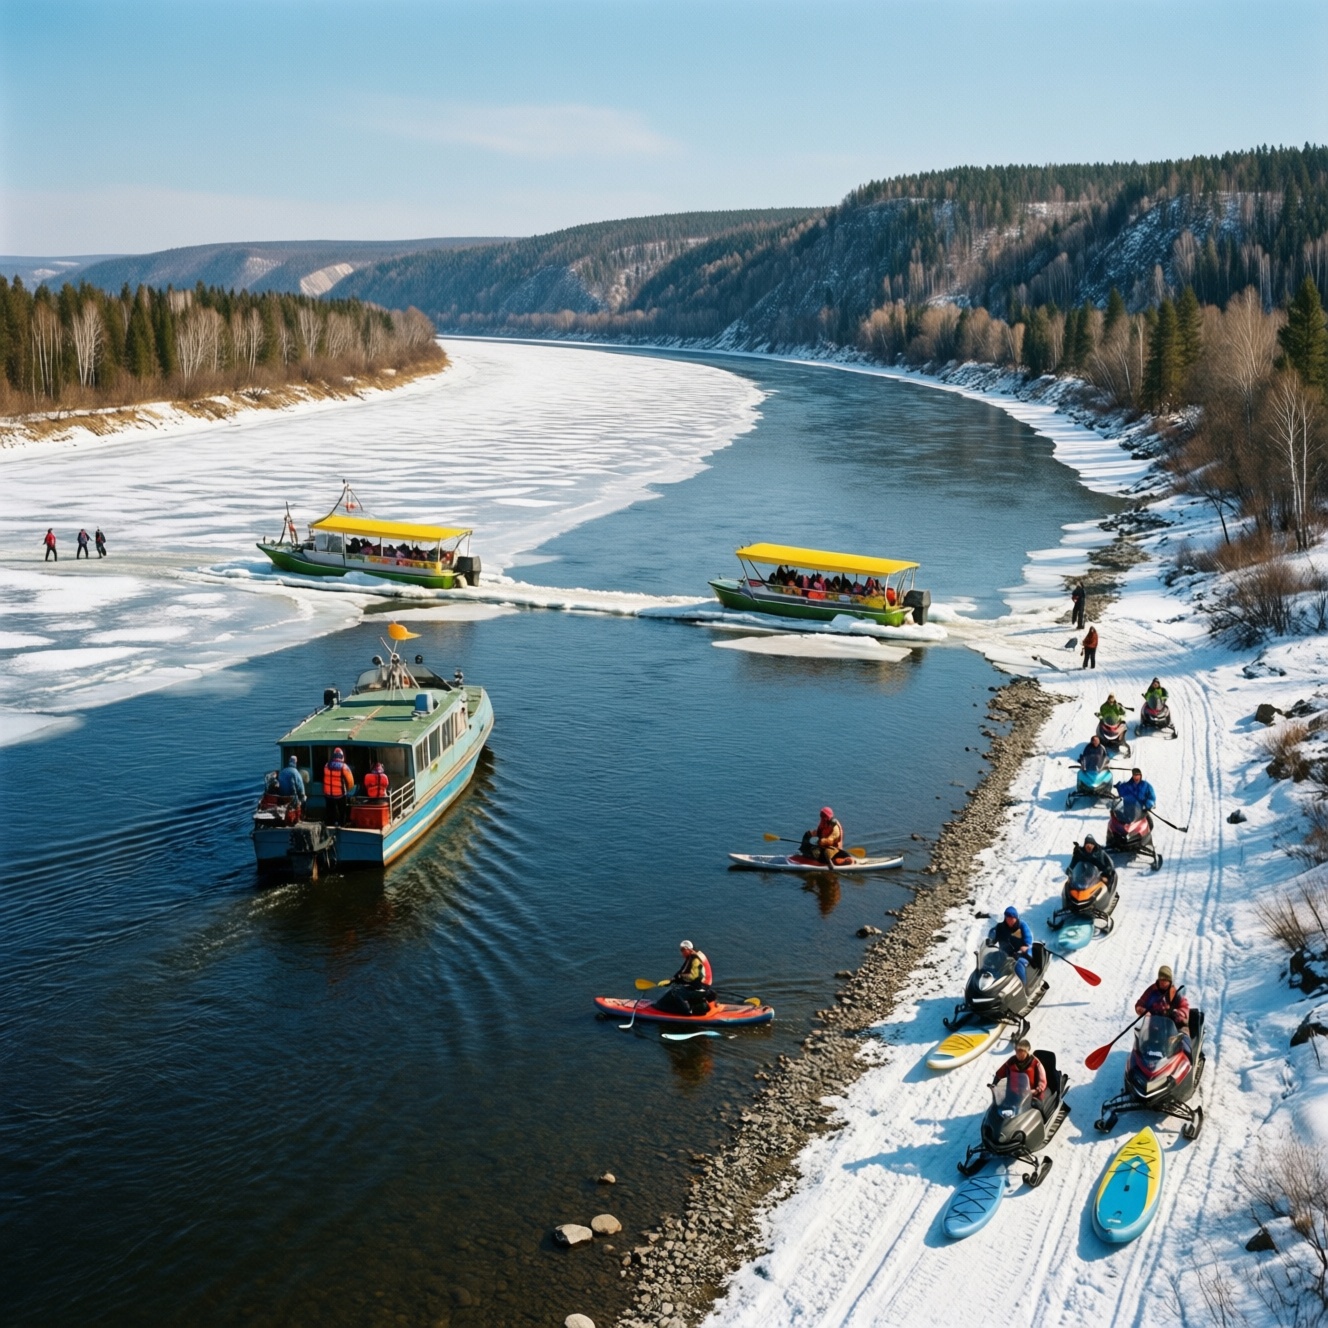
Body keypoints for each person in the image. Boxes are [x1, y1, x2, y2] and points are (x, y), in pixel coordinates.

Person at [1135, 965, 1191, 1053]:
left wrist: (1177, 1013)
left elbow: (1185, 1007)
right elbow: (1139, 1004)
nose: (1162, 982)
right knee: (1142, 1041)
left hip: (1174, 1027)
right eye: (1161, 980)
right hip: (1155, 1026)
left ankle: (1188, 1060)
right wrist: (1144, 1011)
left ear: (1169, 981)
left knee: (1184, 1042)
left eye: (1165, 980)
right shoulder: (1151, 991)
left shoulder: (1175, 992)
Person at [660, 940, 714, 1015]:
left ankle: (688, 1011)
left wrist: (679, 978)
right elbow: (683, 970)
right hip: (702, 985)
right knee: (680, 987)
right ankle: (701, 1001)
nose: (681, 952)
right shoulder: (693, 955)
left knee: (676, 993)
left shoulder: (695, 960)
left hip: (701, 986)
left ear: (688, 949)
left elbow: (692, 976)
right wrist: (672, 980)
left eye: (682, 950)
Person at [993, 905, 1033, 983]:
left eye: (1012, 918)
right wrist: (990, 941)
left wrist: (1025, 947)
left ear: (1016, 918)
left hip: (1022, 954)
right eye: (1007, 918)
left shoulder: (1022, 926)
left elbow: (1028, 939)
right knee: (990, 959)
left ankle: (1023, 987)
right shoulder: (1000, 927)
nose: (1009, 920)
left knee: (1019, 965)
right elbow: (993, 937)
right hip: (1005, 954)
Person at [322, 746, 355, 825]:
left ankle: (330, 825)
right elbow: (351, 782)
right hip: (340, 795)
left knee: (330, 812)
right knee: (342, 812)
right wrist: (347, 790)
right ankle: (342, 825)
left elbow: (323, 779)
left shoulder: (326, 766)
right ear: (342, 756)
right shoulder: (344, 767)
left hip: (328, 794)